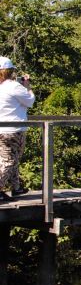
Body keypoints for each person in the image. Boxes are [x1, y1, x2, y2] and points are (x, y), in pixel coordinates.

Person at [0, 57, 35, 201]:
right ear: (9, 71)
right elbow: (30, 101)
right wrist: (27, 86)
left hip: (2, 129)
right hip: (14, 129)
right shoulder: (14, 86)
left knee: (9, 158)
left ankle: (16, 187)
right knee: (10, 160)